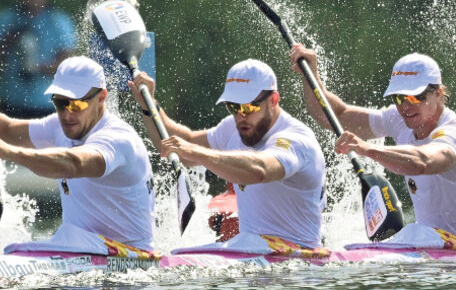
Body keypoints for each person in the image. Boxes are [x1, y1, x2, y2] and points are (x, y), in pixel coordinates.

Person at [0, 55, 156, 251]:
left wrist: (9, 152)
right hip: (82, 248)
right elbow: (2, 130)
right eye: (59, 103)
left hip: (129, 255)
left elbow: (74, 164)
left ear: (101, 97)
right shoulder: (58, 126)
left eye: (75, 104)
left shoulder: (118, 138)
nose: (66, 114)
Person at [289, 45, 456, 246]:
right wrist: (311, 75)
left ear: (438, 93)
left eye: (415, 97)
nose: (405, 107)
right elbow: (336, 116)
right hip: (429, 250)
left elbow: (423, 162)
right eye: (398, 98)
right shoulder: (397, 119)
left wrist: (367, 149)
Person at [130, 59, 326, 249]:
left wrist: (197, 153)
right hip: (253, 252)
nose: (240, 116)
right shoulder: (234, 128)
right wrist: (149, 105)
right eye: (233, 106)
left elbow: (261, 170)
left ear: (273, 100)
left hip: (298, 261)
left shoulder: (296, 139)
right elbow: (180, 145)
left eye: (249, 107)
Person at [0, 0, 77, 118]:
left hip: (48, 106)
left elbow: (67, 68)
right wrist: (8, 40)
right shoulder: (7, 18)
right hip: (11, 103)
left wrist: (36, 68)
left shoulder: (58, 21)